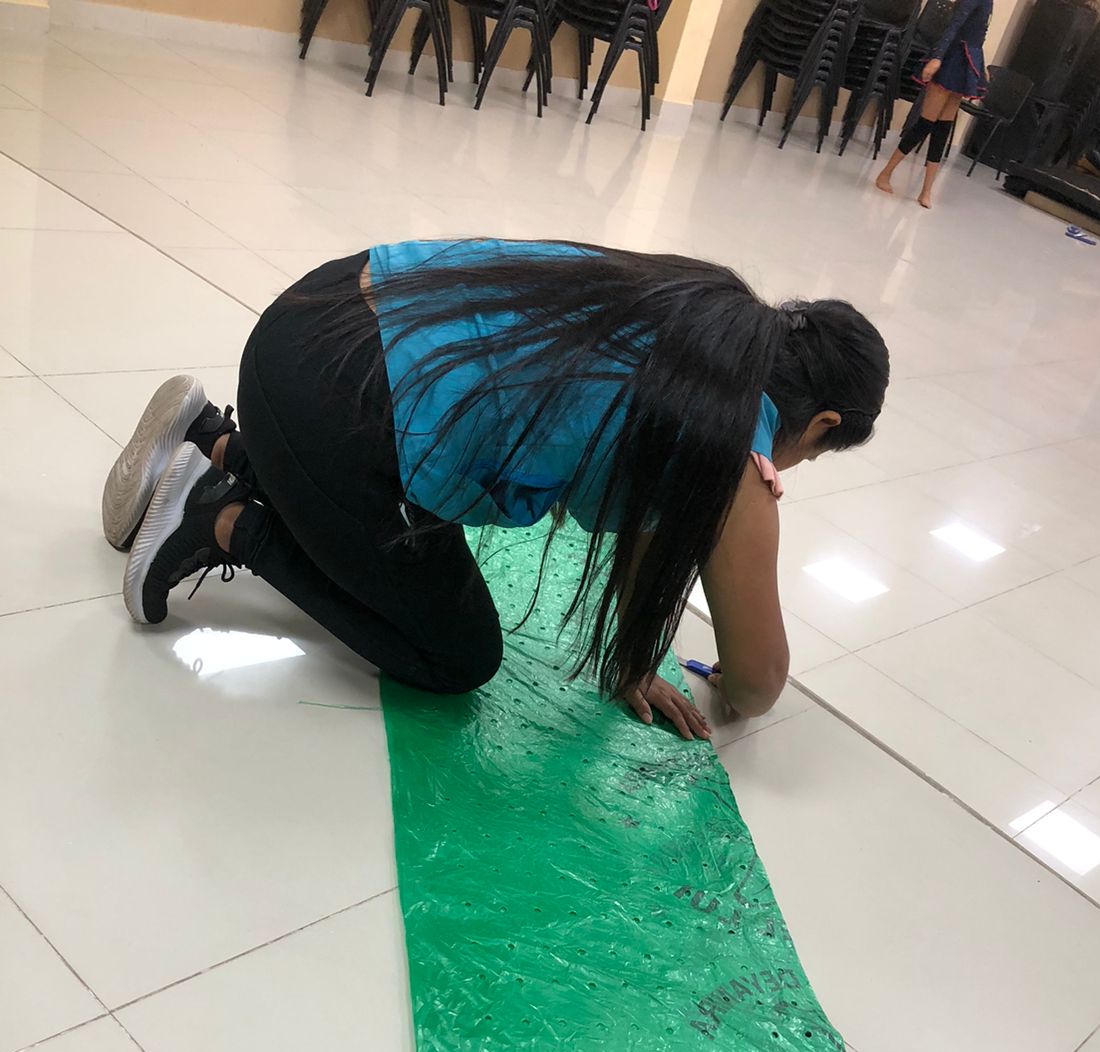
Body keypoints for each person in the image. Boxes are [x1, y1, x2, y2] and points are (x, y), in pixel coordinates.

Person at [103, 241, 888, 740]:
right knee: (458, 656)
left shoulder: (700, 307)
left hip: (307, 322)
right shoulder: (736, 455)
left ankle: (215, 438)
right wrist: (725, 682)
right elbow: (757, 682)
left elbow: (651, 516)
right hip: (339, 415)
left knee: (389, 497)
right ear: (820, 425)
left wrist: (634, 653)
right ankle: (221, 519)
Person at [875, 0, 993, 209]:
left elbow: (979, 33)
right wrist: (937, 58)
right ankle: (885, 173)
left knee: (943, 128)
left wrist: (979, 65)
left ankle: (927, 190)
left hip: (966, 61)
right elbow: (955, 25)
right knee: (925, 124)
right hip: (952, 59)